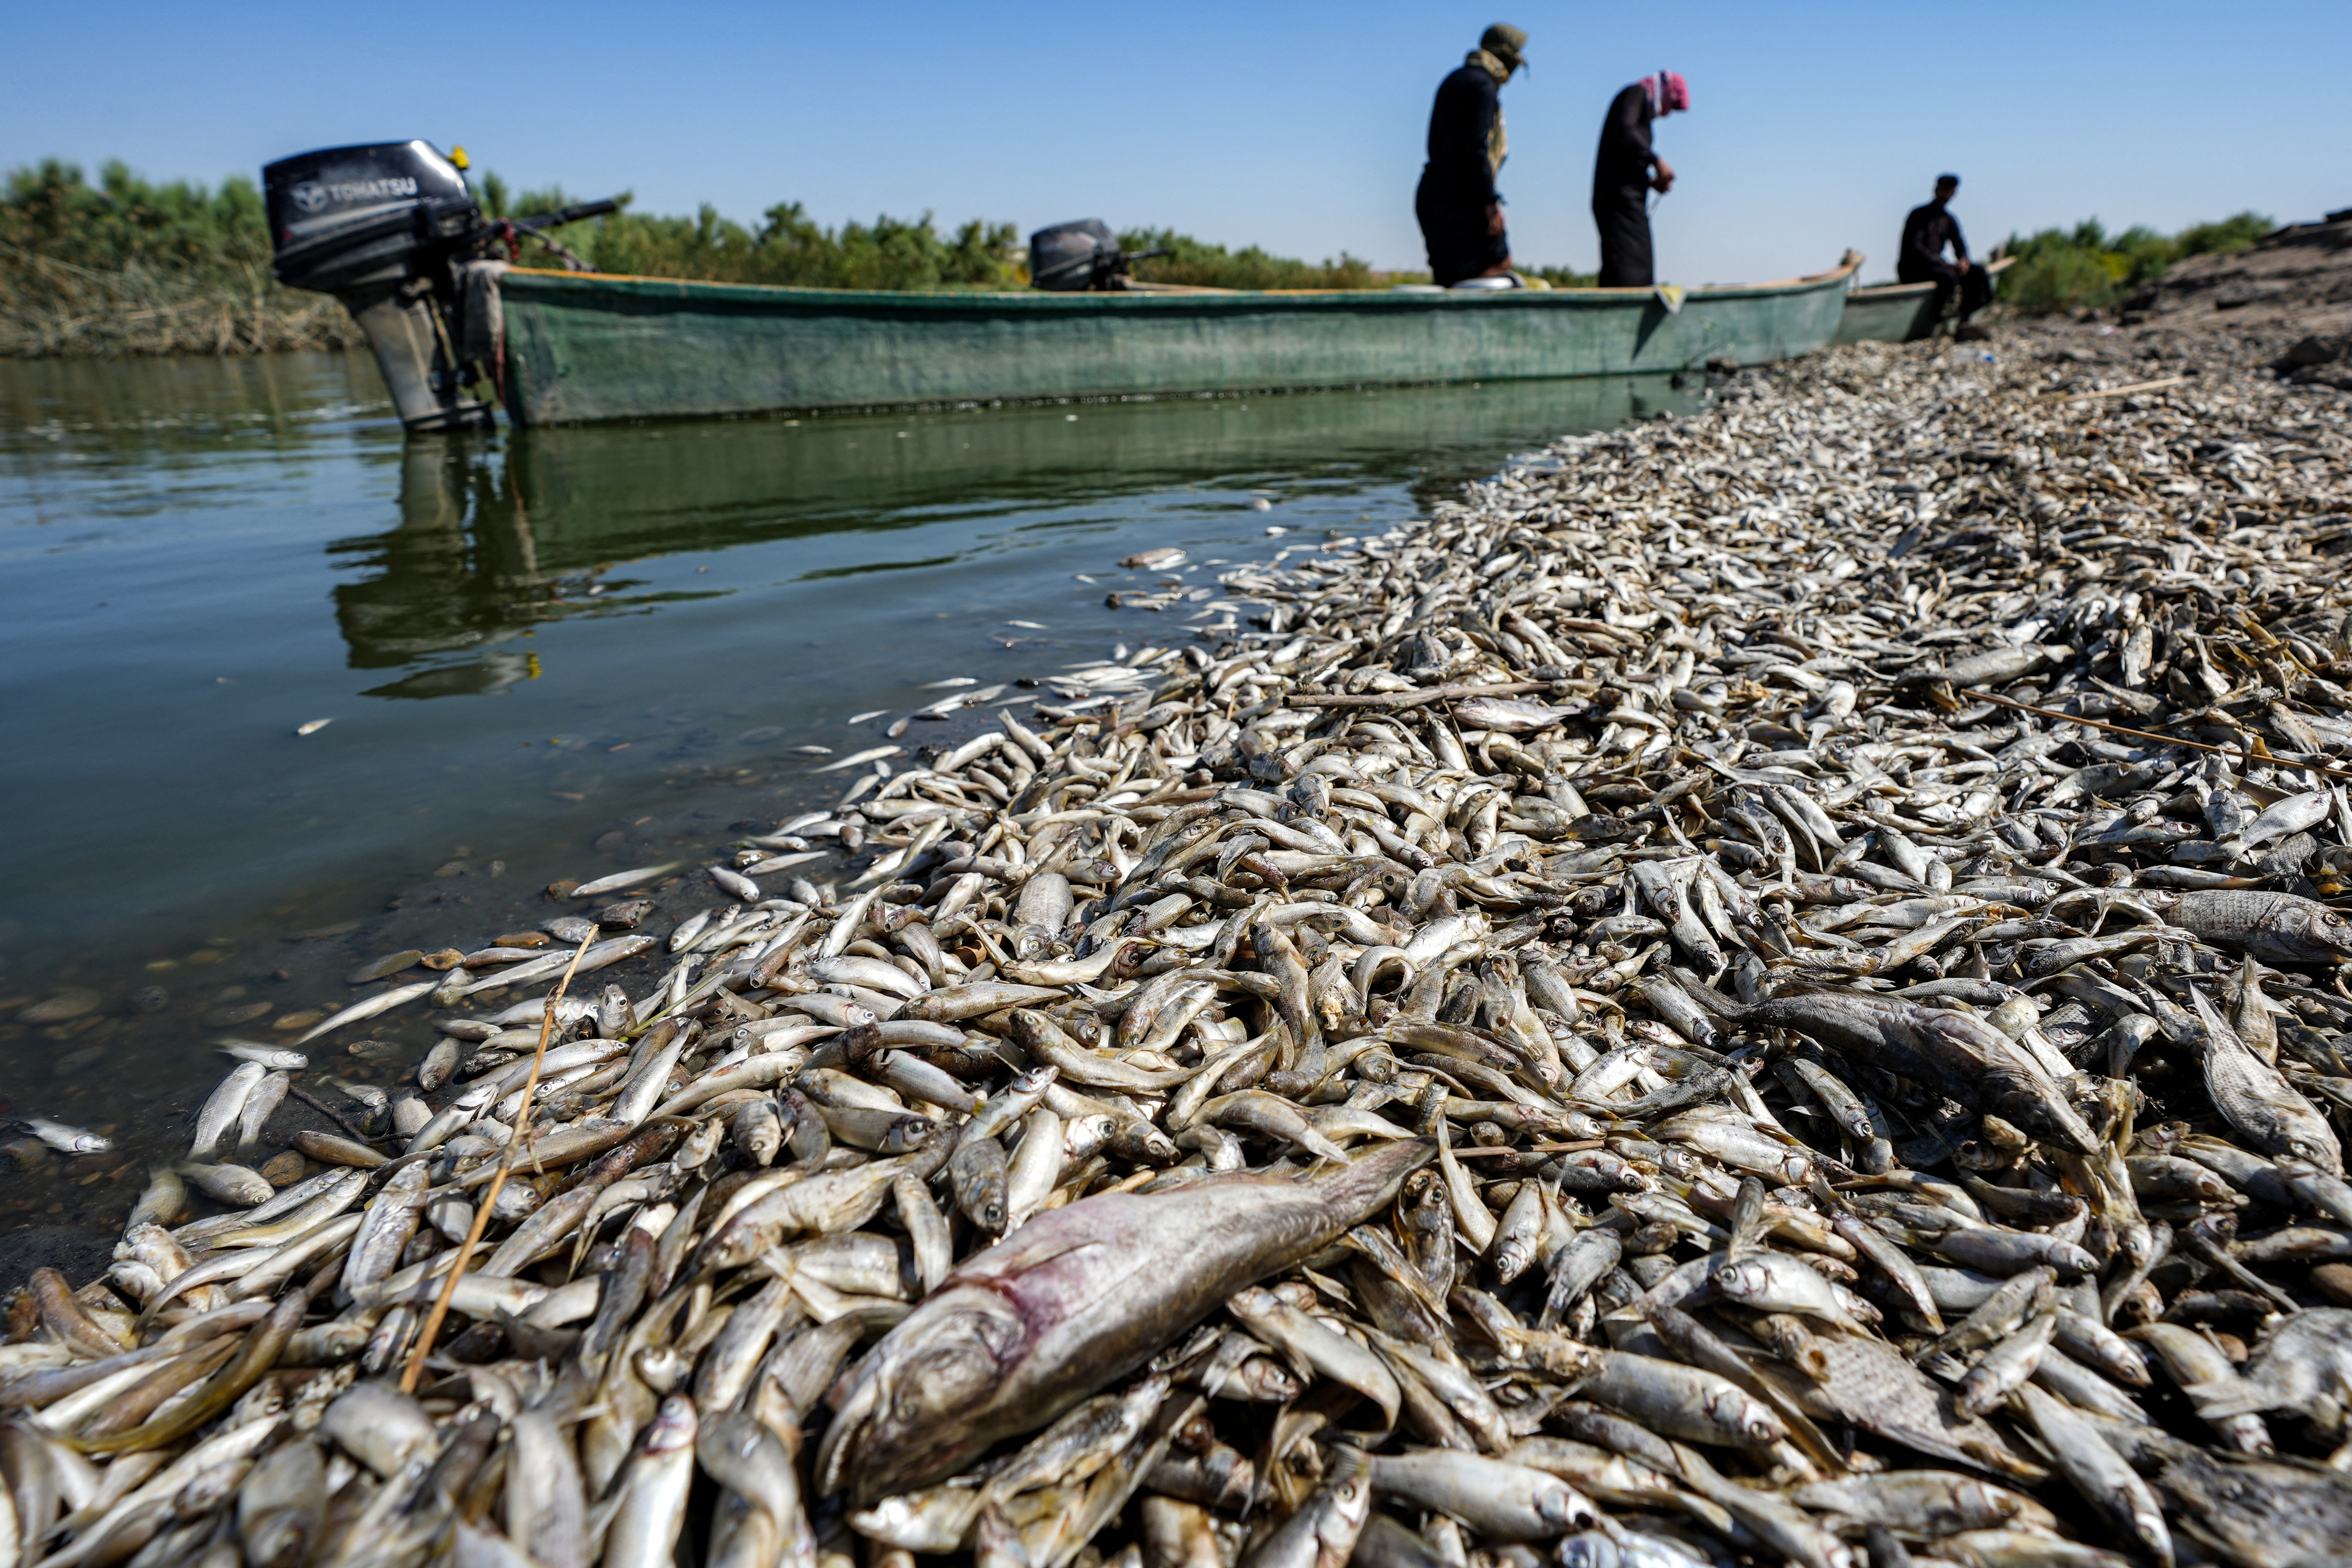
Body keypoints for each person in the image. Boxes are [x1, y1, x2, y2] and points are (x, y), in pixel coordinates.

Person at [1416, 24, 1527, 287]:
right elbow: (1475, 147)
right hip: (1462, 199)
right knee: (1500, 263)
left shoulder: (1456, 79)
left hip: (1435, 194)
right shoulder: (1483, 85)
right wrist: (1489, 202)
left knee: (1451, 277)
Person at [1592, 71, 1686, 288]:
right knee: (1629, 271)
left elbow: (1624, 159)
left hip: (1627, 200)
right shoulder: (1636, 93)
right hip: (1618, 202)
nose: (1668, 113)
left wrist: (1650, 183)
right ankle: (1620, 318)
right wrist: (1656, 160)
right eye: (1672, 105)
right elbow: (1625, 130)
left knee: (1636, 266)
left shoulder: (1640, 103)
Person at [1900, 174, 1993, 337]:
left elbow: (1959, 244)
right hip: (1914, 269)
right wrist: (1946, 264)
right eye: (1944, 190)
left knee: (1979, 274)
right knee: (1947, 277)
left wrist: (1964, 261)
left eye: (1949, 191)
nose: (1946, 194)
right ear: (1936, 190)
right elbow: (1915, 248)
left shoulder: (1948, 219)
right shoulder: (1918, 216)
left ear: (1954, 194)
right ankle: (1939, 320)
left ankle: (1963, 319)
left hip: (1938, 267)